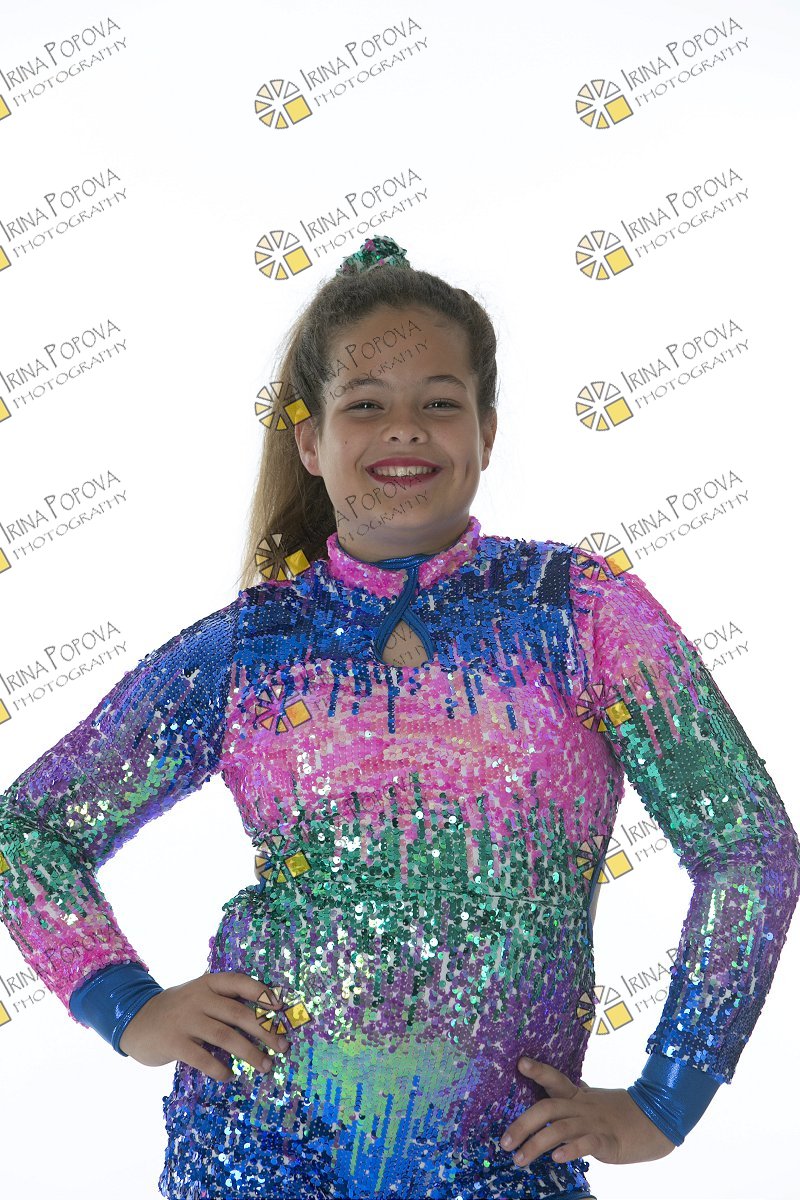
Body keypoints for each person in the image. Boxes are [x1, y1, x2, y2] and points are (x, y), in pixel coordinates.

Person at [0, 234, 797, 1200]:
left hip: (501, 1162)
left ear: (487, 431)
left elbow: (747, 846)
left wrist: (669, 1097)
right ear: (312, 442)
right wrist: (125, 1005)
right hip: (255, 1152)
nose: (405, 431)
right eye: (366, 405)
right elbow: (25, 832)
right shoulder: (252, 646)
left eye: (440, 403)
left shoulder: (579, 612)